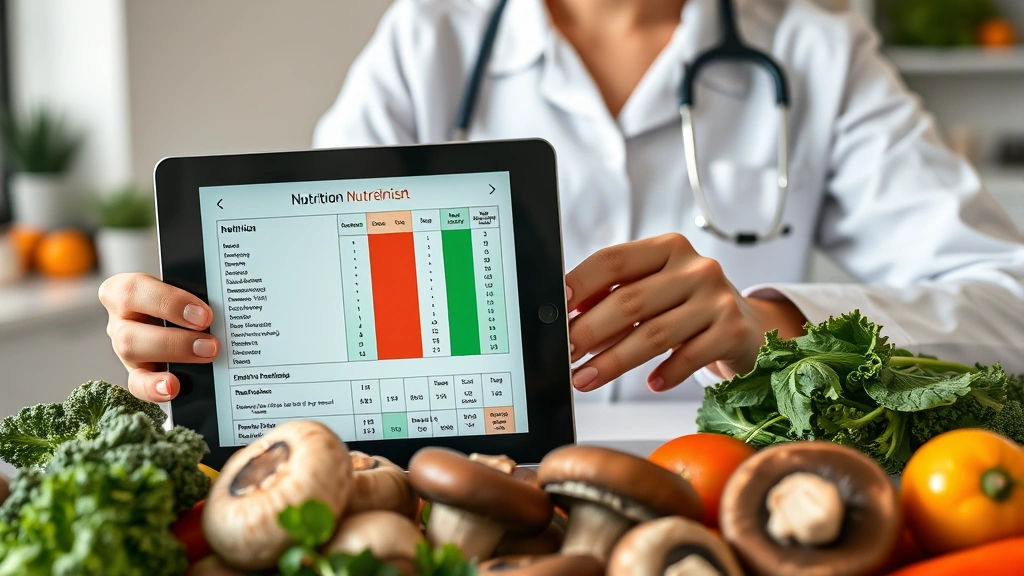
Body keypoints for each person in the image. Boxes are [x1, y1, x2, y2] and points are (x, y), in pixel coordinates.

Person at [100, 0, 1024, 406]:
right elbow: (309, 303)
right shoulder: (428, 42)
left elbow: (1008, 304)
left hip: (728, 514)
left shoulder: (819, 52)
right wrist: (199, 346)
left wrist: (774, 320)